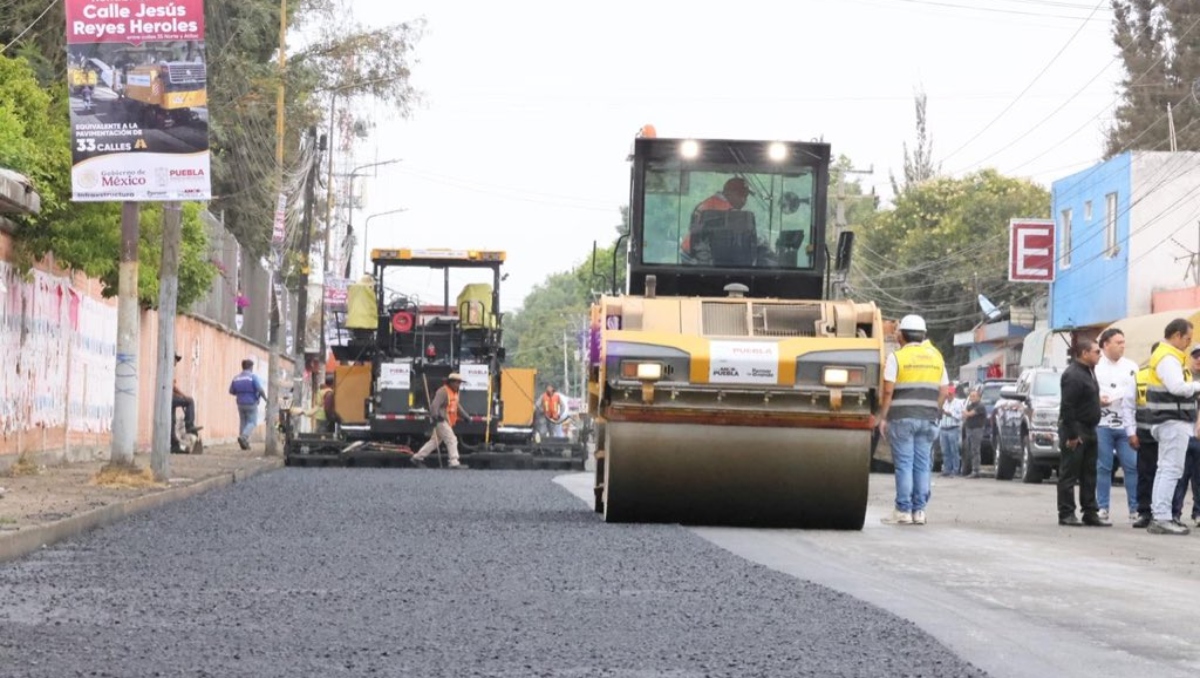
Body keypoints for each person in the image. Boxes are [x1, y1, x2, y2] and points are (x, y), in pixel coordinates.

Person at [877, 314, 948, 526]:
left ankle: (903, 510)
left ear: (902, 336)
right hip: (928, 419)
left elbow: (888, 391)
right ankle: (919, 512)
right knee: (922, 465)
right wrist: (933, 410)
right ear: (923, 334)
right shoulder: (936, 356)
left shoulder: (897, 358)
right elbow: (944, 390)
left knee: (905, 465)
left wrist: (882, 417)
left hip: (902, 418)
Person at [1145, 319, 1200, 535]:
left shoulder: (1167, 356)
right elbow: (1177, 387)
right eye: (1187, 338)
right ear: (1176, 335)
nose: (1188, 343)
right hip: (1172, 420)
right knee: (1171, 469)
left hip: (1167, 420)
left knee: (1165, 468)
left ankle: (1160, 514)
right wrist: (1197, 386)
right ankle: (1162, 517)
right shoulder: (1168, 357)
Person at [1058, 338, 1108, 527]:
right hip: (1076, 429)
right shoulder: (1073, 375)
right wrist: (1072, 435)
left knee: (1089, 473)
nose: (1099, 355)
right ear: (1084, 353)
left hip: (1090, 428)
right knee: (1069, 473)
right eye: (1096, 351)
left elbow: (1084, 399)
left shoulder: (1089, 372)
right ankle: (1066, 513)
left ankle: (1090, 512)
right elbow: (1068, 406)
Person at [1094, 328, 1139, 523]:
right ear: (1105, 344)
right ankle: (1102, 508)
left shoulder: (1131, 367)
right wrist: (1098, 400)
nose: (1122, 346)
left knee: (1132, 466)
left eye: (1123, 342)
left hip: (1126, 425)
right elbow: (1087, 390)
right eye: (1118, 342)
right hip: (1102, 423)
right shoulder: (1095, 367)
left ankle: (1135, 509)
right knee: (1103, 467)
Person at [411, 373, 472, 469]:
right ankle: (454, 462)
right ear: (451, 382)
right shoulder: (443, 391)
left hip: (446, 420)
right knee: (452, 439)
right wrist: (435, 417)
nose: (458, 385)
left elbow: (457, 407)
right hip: (440, 419)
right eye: (457, 382)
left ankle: (417, 457)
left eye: (459, 383)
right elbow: (434, 405)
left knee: (434, 442)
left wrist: (466, 417)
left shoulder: (454, 393)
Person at [682, 177, 752, 258]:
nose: (744, 201)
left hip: (692, 251)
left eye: (746, 196)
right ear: (729, 193)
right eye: (742, 196)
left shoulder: (712, 202)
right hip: (697, 256)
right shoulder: (723, 210)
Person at [1170, 344, 1200, 525]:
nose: (1199, 360)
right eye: (1196, 356)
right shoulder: (1182, 378)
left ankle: (1198, 513)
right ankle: (1175, 512)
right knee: (1180, 476)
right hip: (1183, 431)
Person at [1133, 343, 1160, 529]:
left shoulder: (1179, 375)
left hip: (1169, 434)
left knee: (1170, 475)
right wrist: (1130, 432)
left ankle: (1168, 513)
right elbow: (1129, 406)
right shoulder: (1140, 375)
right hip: (1146, 434)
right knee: (1146, 474)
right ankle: (1144, 512)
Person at [229, 358, 266, 450]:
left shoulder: (236, 378)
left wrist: (240, 393)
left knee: (243, 422)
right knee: (252, 422)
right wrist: (266, 399)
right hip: (251, 402)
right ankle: (244, 437)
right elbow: (260, 389)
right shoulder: (252, 377)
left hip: (240, 403)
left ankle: (244, 444)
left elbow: (231, 391)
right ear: (250, 367)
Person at [171, 354, 200, 453]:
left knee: (172, 421)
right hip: (169, 399)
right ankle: (189, 425)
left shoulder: (169, 369)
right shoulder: (168, 369)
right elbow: (173, 388)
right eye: (175, 359)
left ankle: (174, 445)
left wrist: (180, 396)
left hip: (169, 398)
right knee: (190, 401)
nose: (176, 362)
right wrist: (183, 396)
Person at [938, 384, 965, 477]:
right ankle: (947, 469)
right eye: (947, 394)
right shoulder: (944, 402)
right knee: (945, 451)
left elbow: (961, 416)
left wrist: (950, 414)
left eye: (950, 394)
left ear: (953, 394)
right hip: (943, 428)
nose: (948, 396)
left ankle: (955, 470)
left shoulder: (958, 403)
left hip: (953, 428)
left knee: (954, 450)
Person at [961, 388, 987, 478]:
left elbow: (969, 414)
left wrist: (967, 413)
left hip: (977, 430)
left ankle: (976, 470)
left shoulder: (980, 406)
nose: (972, 398)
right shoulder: (969, 406)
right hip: (969, 429)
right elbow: (964, 416)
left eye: (974, 396)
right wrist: (966, 413)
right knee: (969, 450)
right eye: (971, 396)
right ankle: (970, 470)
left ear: (978, 397)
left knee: (975, 450)